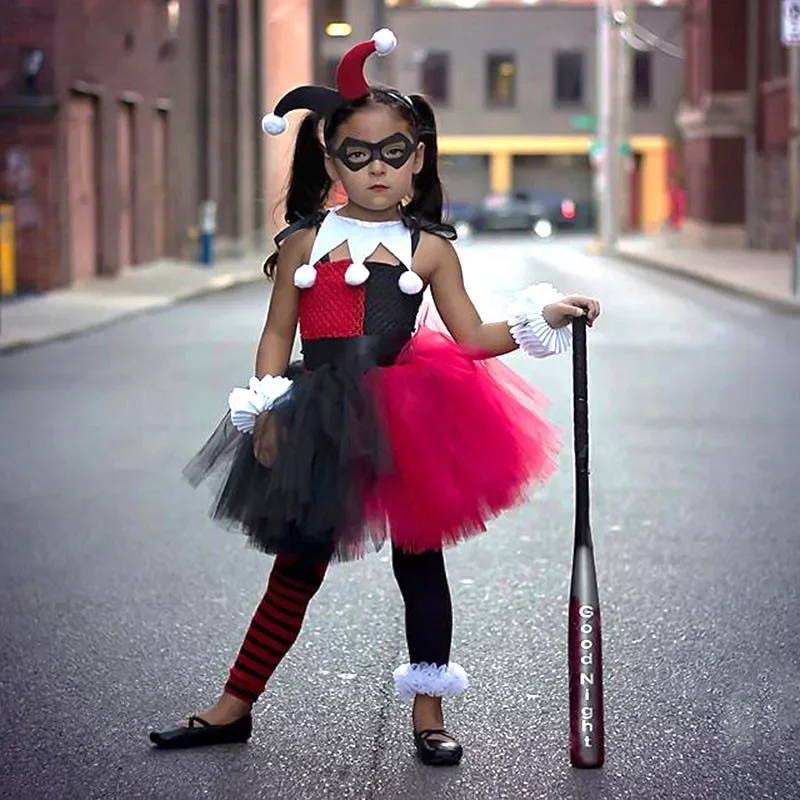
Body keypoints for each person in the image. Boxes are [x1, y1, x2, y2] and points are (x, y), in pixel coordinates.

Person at [149, 29, 600, 767]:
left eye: (394, 151)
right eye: (357, 155)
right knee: (296, 561)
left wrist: (544, 317)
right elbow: (276, 333)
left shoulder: (428, 247)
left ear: (417, 156)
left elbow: (473, 336)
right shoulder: (304, 242)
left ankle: (429, 711)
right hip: (318, 414)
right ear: (331, 162)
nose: (378, 169)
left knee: (420, 560)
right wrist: (265, 406)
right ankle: (235, 704)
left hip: (408, 414)